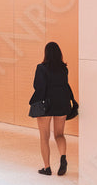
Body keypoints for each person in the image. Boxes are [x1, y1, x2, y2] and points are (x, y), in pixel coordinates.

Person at [28, 41, 77, 176]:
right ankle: (63, 157)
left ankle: (47, 168)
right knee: (59, 134)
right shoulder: (63, 69)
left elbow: (38, 87)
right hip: (62, 104)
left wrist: (35, 103)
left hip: (46, 105)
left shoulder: (41, 68)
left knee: (44, 137)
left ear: (46, 54)